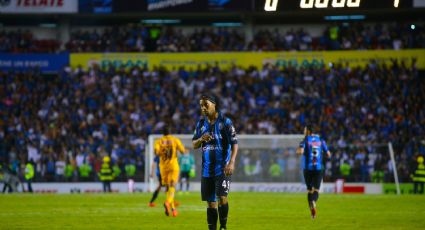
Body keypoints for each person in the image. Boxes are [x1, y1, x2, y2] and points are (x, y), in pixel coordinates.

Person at [192, 94, 238, 230]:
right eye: (201, 105)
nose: (203, 108)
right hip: (206, 170)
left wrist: (232, 162)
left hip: (222, 168)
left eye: (206, 104)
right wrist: (201, 139)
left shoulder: (225, 122)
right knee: (210, 203)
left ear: (214, 104)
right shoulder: (200, 124)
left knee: (222, 198)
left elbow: (235, 143)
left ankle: (223, 227)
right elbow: (194, 144)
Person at [297, 124, 331, 219]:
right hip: (318, 168)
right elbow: (328, 153)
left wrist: (298, 151)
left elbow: (301, 151)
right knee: (316, 190)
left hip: (307, 169)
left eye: (304, 130)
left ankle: (313, 213)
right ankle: (314, 203)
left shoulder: (304, 140)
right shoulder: (321, 140)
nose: (303, 132)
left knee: (309, 190)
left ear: (308, 131)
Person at [154, 124, 186, 217]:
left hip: (163, 167)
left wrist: (163, 151)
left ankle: (173, 209)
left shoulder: (158, 141)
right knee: (172, 186)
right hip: (173, 165)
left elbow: (156, 152)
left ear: (162, 133)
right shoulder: (175, 140)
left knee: (168, 188)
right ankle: (168, 203)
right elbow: (183, 151)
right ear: (170, 132)